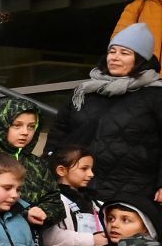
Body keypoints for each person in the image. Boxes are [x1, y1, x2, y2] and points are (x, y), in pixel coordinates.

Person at [66, 24, 162, 217]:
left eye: (124, 53)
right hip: (85, 190)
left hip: (137, 191)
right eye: (112, 51)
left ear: (140, 59)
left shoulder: (156, 94)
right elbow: (61, 131)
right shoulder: (87, 91)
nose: (115, 57)